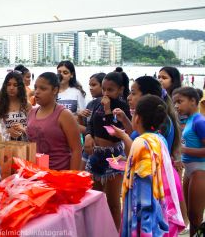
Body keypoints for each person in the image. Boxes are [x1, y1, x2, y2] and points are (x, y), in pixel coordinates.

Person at [113, 76, 188, 230]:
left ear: (147, 96)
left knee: (150, 225)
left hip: (153, 183)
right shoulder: (156, 123)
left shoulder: (160, 125)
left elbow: (142, 146)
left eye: (133, 93)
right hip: (157, 177)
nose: (128, 97)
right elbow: (139, 137)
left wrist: (123, 137)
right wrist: (126, 122)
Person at [84, 71, 131, 229]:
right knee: (95, 198)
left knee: (113, 203)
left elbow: (115, 132)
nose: (105, 93)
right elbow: (90, 123)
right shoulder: (98, 102)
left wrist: (109, 111)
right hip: (97, 154)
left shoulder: (122, 106)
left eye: (110, 90)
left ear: (120, 90)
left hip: (114, 155)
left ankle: (115, 231)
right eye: (103, 89)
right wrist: (89, 135)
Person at [26, 72, 82, 170]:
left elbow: (76, 150)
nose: (37, 92)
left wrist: (72, 178)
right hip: (36, 174)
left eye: (43, 88)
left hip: (59, 176)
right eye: (36, 88)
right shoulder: (32, 112)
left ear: (55, 90)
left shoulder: (64, 115)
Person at [173, 87, 205, 236]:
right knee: (191, 216)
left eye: (180, 101)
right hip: (190, 170)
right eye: (174, 103)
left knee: (196, 216)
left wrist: (182, 149)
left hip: (200, 170)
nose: (176, 106)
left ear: (193, 101)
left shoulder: (199, 121)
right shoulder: (191, 119)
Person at [0, 71, 32, 140]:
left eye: (15, 85)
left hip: (25, 144)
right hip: (6, 144)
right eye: (9, 84)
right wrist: (7, 131)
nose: (11, 88)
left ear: (20, 87)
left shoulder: (26, 104)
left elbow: (33, 128)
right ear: (5, 86)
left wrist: (23, 129)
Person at [80, 72, 106, 169]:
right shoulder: (91, 104)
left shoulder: (105, 104)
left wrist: (77, 127)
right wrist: (80, 116)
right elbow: (86, 125)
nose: (90, 88)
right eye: (90, 85)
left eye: (94, 85)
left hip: (98, 148)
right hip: (87, 147)